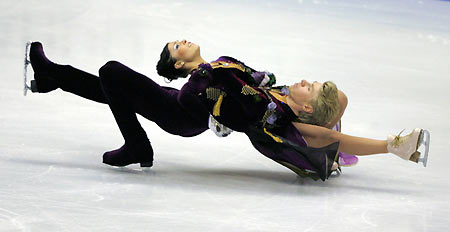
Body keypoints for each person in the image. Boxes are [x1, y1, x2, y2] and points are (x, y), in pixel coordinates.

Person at [24, 40, 429, 181]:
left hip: (180, 116)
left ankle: (137, 146)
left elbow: (332, 125)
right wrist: (388, 144)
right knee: (111, 83)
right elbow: (332, 115)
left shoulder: (279, 114)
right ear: (182, 67)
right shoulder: (278, 94)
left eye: (311, 86)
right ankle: (51, 76)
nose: (305, 79)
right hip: (178, 107)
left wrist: (392, 145)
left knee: (111, 75)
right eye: (175, 47)